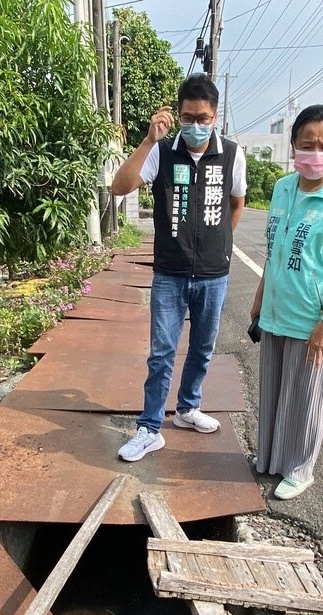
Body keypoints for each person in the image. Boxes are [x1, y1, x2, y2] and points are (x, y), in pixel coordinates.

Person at [110, 73, 248, 462]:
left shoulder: (233, 154)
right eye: (188, 118)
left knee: (203, 348)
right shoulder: (163, 150)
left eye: (203, 118)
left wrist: (217, 246)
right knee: (162, 353)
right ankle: (150, 427)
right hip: (169, 273)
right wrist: (149, 139)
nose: (196, 126)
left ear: (215, 116)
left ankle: (188, 409)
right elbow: (119, 187)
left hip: (213, 275)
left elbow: (236, 204)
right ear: (178, 115)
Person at [249, 104, 323, 499]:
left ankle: (301, 469)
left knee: (307, 397)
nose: (315, 153)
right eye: (306, 144)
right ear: (294, 146)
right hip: (277, 311)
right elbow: (275, 250)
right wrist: (259, 300)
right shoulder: (284, 188)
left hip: (314, 321)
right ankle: (269, 460)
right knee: (274, 390)